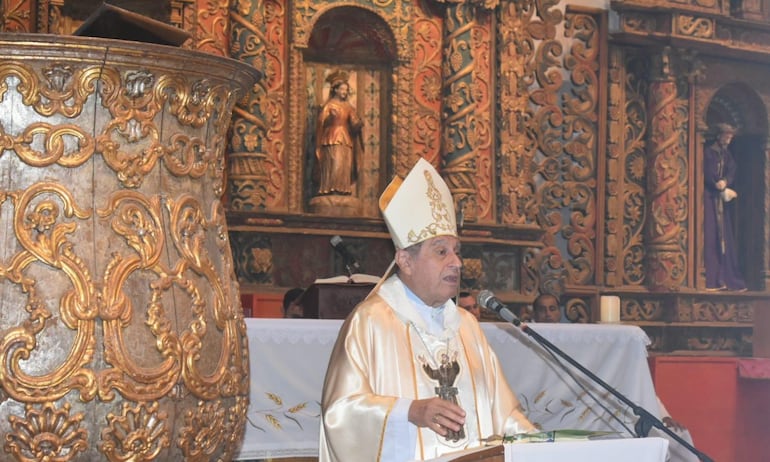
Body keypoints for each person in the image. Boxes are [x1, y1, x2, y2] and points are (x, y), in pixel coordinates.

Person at [319, 158, 535, 461]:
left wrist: (543, 445)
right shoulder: (369, 322)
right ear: (406, 261)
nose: (457, 263)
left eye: (456, 252)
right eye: (441, 251)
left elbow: (505, 415)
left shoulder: (466, 326)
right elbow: (339, 414)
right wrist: (410, 411)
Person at [703, 123, 746, 291]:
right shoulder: (708, 153)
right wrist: (716, 183)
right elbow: (706, 172)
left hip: (720, 198)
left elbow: (731, 169)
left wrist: (726, 181)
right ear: (719, 136)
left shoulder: (725, 155)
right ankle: (712, 277)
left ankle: (726, 277)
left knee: (724, 237)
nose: (729, 140)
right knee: (711, 235)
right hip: (708, 198)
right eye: (726, 136)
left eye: (731, 137)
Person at [314, 70, 364, 196]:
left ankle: (343, 189)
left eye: (346, 90)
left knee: (343, 165)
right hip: (331, 137)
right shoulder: (329, 106)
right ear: (335, 90)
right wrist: (327, 120)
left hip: (345, 139)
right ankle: (329, 188)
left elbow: (354, 123)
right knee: (333, 163)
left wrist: (358, 124)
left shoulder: (348, 107)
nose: (344, 92)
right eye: (342, 89)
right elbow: (320, 122)